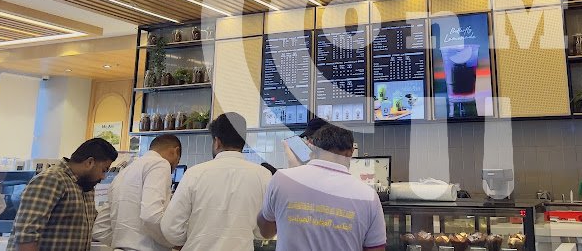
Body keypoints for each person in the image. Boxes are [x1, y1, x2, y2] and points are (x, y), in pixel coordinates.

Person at [258, 123, 386, 251]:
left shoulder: (281, 179)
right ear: (351, 152)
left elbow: (266, 232)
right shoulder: (368, 196)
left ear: (313, 147)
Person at [161, 112, 271, 251]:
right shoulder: (263, 175)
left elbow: (170, 227)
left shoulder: (194, 174)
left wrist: (192, 238)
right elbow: (263, 231)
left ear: (217, 142)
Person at [7, 138, 118, 251]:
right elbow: (26, 236)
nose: (103, 177)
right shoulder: (52, 179)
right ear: (90, 162)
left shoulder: (86, 187)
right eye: (104, 170)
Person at [93, 134, 182, 251]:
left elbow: (100, 229)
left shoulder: (123, 172)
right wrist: (172, 242)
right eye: (177, 162)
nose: (174, 168)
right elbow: (150, 216)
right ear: (176, 151)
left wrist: (126, 243)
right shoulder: (160, 164)